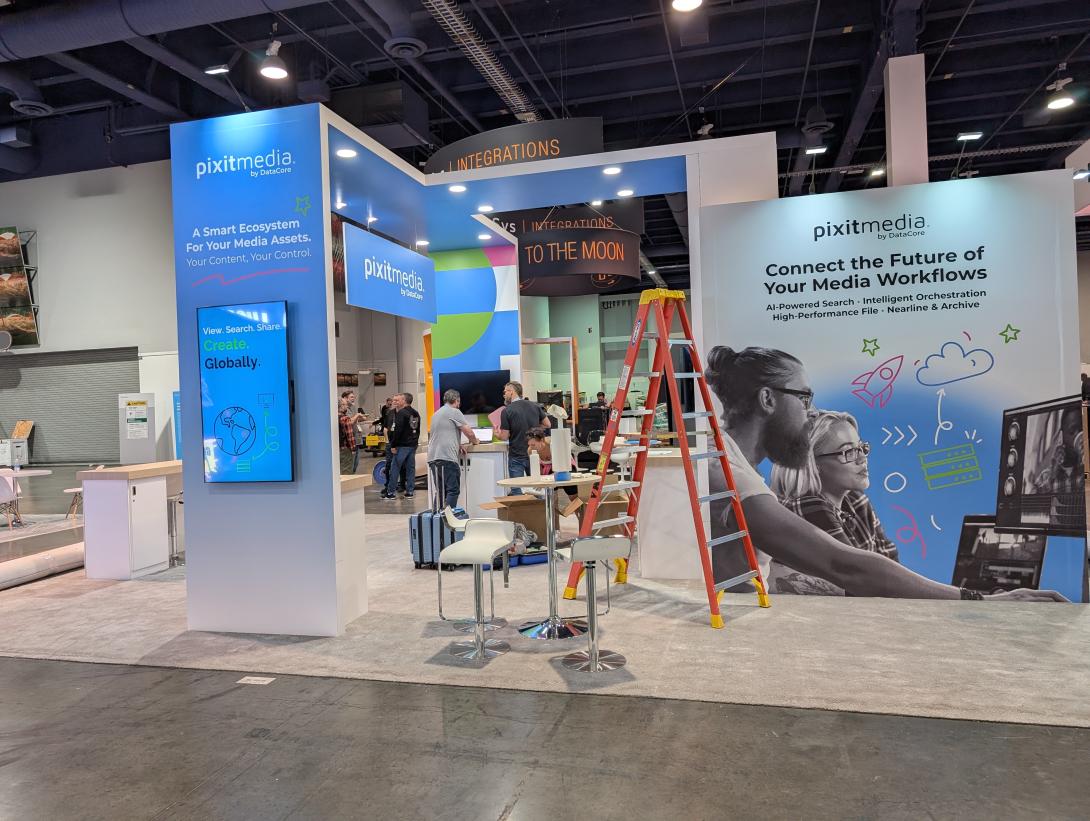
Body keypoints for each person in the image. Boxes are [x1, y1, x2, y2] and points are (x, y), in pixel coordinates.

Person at [704, 345, 1066, 601]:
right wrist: (979, 600)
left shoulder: (730, 462)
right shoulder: (724, 472)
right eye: (804, 398)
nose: (810, 412)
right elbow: (843, 566)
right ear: (768, 400)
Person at [768, 409, 898, 595]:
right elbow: (862, 577)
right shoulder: (807, 507)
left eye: (861, 448)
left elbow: (892, 563)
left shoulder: (856, 500)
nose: (862, 458)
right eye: (848, 452)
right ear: (813, 463)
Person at [427, 389, 479, 509]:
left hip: (433, 458)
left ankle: (438, 521)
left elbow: (442, 434)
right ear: (457, 400)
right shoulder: (454, 411)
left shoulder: (436, 413)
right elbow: (469, 432)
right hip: (447, 458)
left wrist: (458, 444)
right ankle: (448, 522)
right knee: (453, 490)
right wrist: (475, 441)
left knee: (440, 492)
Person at [496, 381, 550, 493]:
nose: (504, 394)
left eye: (505, 392)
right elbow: (547, 424)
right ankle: (539, 509)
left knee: (517, 490)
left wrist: (497, 434)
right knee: (538, 488)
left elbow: (505, 436)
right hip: (534, 454)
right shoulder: (535, 406)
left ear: (512, 392)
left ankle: (521, 510)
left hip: (516, 455)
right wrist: (534, 427)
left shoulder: (507, 411)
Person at [382, 393, 421, 499]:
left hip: (402, 445)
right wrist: (415, 442)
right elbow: (417, 430)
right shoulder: (415, 413)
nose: (394, 402)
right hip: (412, 445)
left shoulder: (402, 413)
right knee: (410, 468)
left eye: (397, 400)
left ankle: (390, 492)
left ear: (404, 400)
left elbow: (398, 431)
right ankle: (410, 492)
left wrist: (393, 445)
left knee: (395, 467)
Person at [337, 398, 356, 475]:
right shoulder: (345, 418)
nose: (346, 407)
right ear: (340, 406)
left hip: (336, 449)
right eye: (345, 405)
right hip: (345, 449)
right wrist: (353, 449)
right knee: (346, 472)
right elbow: (349, 436)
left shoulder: (332, 417)